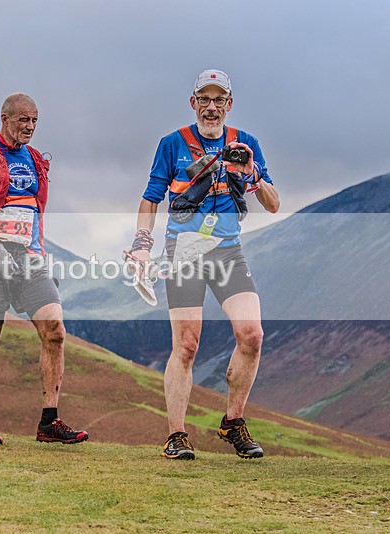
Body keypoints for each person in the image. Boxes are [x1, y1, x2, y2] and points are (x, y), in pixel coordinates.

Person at [124, 69, 280, 460]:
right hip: (184, 251)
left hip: (228, 252)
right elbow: (150, 198)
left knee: (252, 334)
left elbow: (274, 203)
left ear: (230, 104)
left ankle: (233, 422)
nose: (212, 108)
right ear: (193, 103)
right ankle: (176, 435)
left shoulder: (246, 143)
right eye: (204, 100)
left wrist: (253, 175)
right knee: (187, 344)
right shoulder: (172, 143)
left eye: (219, 100)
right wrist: (142, 243)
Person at [0, 93, 89, 445]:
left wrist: (38, 252)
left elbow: (36, 212)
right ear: (5, 118)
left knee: (55, 331)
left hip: (29, 258)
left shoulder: (35, 159)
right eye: (23, 120)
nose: (30, 127)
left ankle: (49, 422)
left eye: (34, 121)